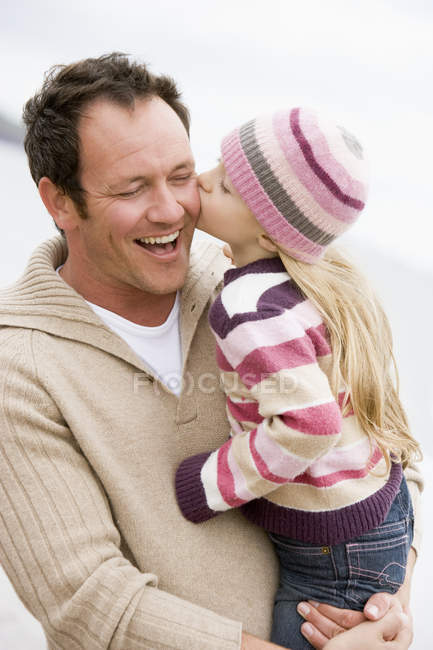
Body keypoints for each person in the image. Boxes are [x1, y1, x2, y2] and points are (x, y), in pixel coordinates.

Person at [0, 53, 422, 650]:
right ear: (60, 202)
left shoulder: (265, 288)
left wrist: (386, 610)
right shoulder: (18, 366)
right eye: (132, 188)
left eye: (180, 175)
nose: (172, 209)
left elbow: (386, 443)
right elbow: (89, 603)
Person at [174, 107, 422, 649]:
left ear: (267, 233)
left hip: (332, 550)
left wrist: (211, 483)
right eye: (218, 164)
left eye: (228, 189)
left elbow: (310, 423)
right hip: (377, 505)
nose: (203, 180)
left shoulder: (250, 308)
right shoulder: (303, 284)